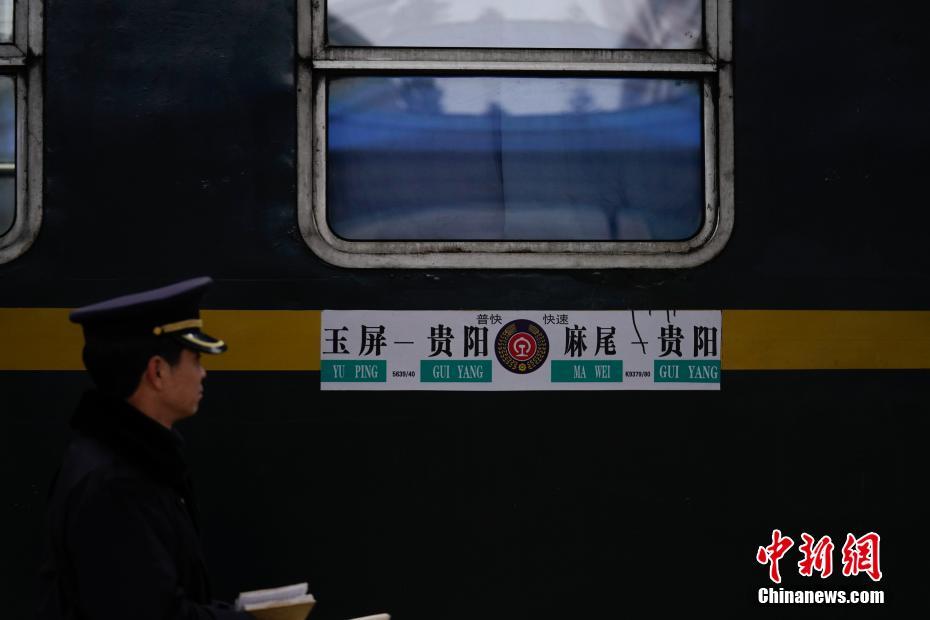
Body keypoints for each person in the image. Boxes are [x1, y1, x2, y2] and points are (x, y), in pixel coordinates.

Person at [38, 277, 253, 620]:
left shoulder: (125, 460)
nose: (203, 374)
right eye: (195, 359)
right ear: (157, 371)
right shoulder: (118, 483)